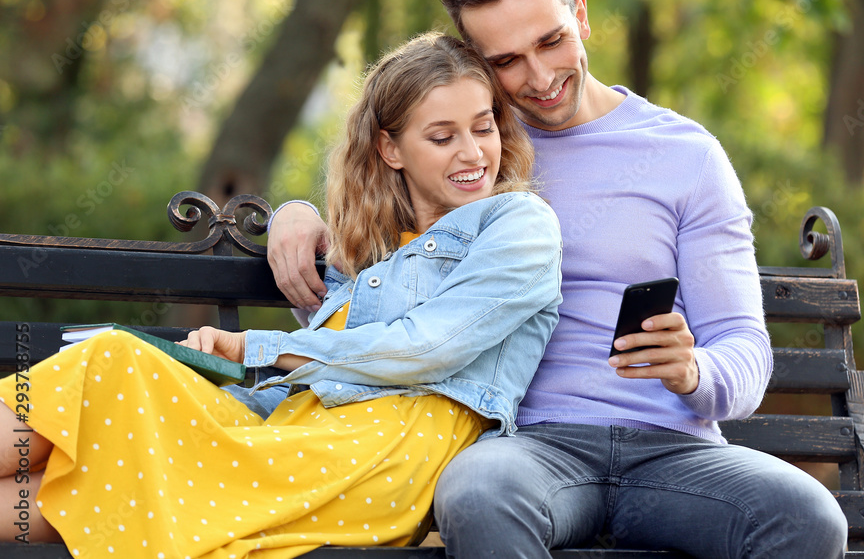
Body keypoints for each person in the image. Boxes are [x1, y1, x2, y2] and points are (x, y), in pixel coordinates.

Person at [267, 0, 849, 558]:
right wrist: (295, 214)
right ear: (472, 60)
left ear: (581, 14)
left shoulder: (687, 157)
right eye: (506, 61)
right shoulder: (469, 155)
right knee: (477, 491)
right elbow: (371, 293)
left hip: (675, 453)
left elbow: (743, 347)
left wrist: (696, 371)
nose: (541, 77)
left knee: (808, 516)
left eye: (552, 41)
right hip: (530, 447)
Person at [0, 32, 562, 557]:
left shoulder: (519, 223)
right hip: (290, 428)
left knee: (111, 391)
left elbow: (424, 348)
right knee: (112, 375)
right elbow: (327, 348)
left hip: (383, 452)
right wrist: (298, 213)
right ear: (391, 150)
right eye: (442, 137)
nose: (472, 153)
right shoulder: (374, 249)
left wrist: (251, 347)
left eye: (483, 127)